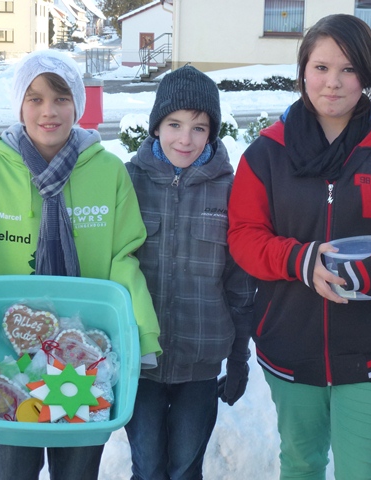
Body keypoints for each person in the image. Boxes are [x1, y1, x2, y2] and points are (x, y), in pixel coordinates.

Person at [227, 14, 371, 480]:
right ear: (303, 71)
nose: (333, 82)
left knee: (363, 473)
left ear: (367, 75)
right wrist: (300, 260)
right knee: (301, 465)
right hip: (290, 344)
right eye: (321, 67)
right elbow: (244, 236)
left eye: (349, 69)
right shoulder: (266, 153)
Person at [0, 49, 161, 480]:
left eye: (61, 98)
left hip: (86, 354)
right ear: (19, 105)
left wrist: (142, 336)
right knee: (11, 471)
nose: (48, 111)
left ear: (78, 104)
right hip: (6, 354)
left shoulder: (109, 172)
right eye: (34, 98)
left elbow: (124, 257)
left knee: (77, 472)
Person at [123, 65, 256, 480]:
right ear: (156, 126)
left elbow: (240, 287)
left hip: (201, 362)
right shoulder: (127, 182)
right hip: (139, 360)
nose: (185, 139)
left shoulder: (230, 190)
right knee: (147, 467)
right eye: (174, 124)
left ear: (212, 133)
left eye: (199, 128)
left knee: (184, 469)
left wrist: (239, 360)